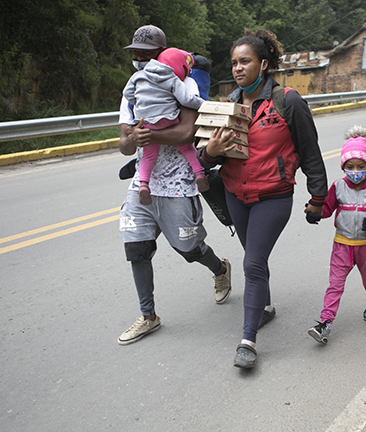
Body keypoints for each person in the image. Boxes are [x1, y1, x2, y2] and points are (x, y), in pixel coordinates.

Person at [199, 29, 328, 369]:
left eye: (245, 61)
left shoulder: (288, 101)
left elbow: (310, 152)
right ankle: (266, 307)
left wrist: (318, 197)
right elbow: (204, 159)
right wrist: (210, 151)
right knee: (253, 254)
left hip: (273, 196)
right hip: (235, 195)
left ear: (264, 63)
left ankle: (248, 342)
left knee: (253, 263)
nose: (238, 68)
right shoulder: (226, 106)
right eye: (234, 63)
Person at [117, 25, 231, 346]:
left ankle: (220, 268)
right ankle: (148, 315)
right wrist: (133, 139)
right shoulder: (134, 87)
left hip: (180, 181)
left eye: (144, 55)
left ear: (160, 55)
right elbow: (125, 143)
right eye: (134, 55)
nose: (138, 61)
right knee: (136, 247)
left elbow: (184, 132)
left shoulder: (184, 81)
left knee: (189, 249)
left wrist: (148, 136)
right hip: (144, 182)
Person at [306, 126, 366, 345]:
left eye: (360, 166)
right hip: (342, 245)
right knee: (335, 285)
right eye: (350, 166)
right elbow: (327, 209)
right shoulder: (338, 187)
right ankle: (325, 323)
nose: (355, 170)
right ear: (344, 167)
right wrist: (315, 213)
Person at [122, 47, 209, 205]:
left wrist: (140, 102)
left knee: (148, 157)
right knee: (187, 148)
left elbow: (127, 94)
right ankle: (199, 174)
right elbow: (187, 100)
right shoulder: (172, 77)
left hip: (147, 121)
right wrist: (205, 105)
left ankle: (143, 184)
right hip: (168, 119)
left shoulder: (138, 76)